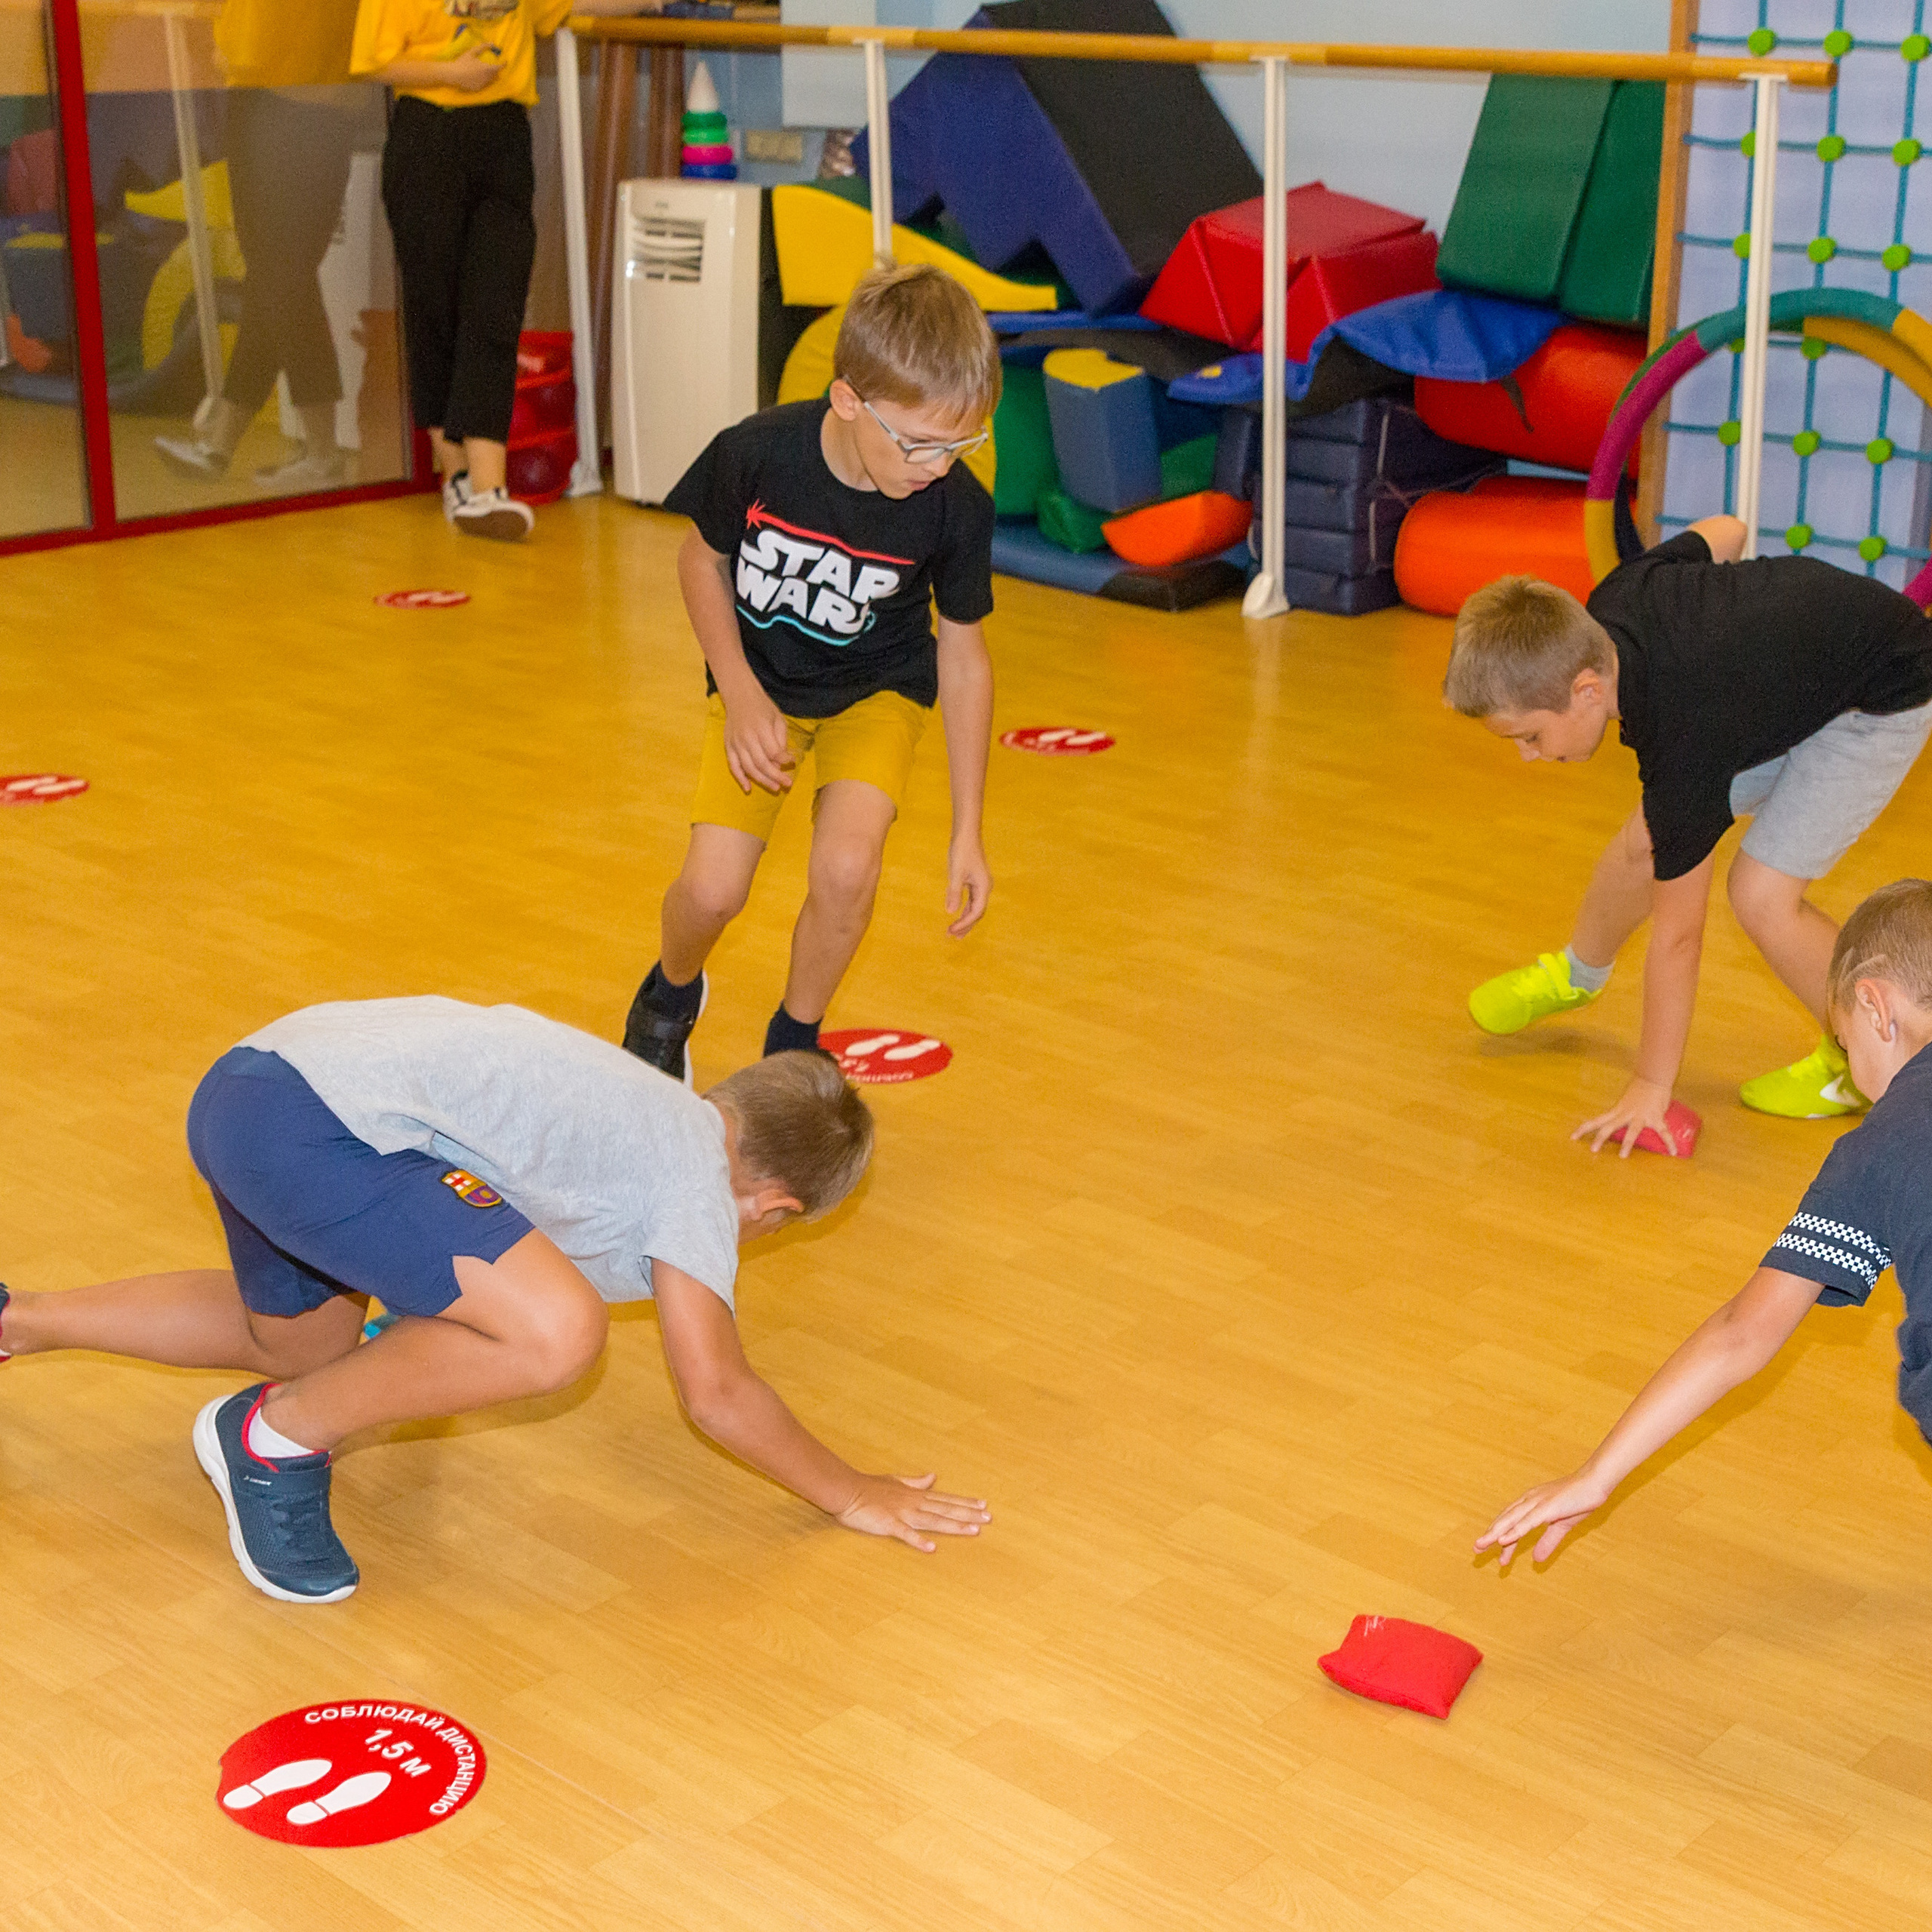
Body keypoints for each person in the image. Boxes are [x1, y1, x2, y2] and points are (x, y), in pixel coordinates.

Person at [0, 996, 990, 1603]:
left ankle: (19, 1320)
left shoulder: (642, 1110)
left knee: (306, 1341)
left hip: (252, 1090)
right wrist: (856, 1492)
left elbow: (466, 1238)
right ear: (771, 1204)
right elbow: (717, 1391)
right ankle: (273, 1441)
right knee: (561, 1333)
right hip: (318, 1131)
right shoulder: (695, 1171)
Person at [1478, 878, 1932, 1567]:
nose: (1851, 1076)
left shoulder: (1876, 1149)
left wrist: (1596, 1475)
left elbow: (1742, 1334)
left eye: (1842, 1047)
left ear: (1875, 1007)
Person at [1445, 518, 1932, 1152]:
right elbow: (1726, 532)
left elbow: (1679, 937)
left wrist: (1651, 1084)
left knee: (1760, 895)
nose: (1529, 758)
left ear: (1587, 689)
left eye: (1530, 737)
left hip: (1880, 701)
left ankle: (1875, 1060)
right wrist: (1746, 625)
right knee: (1646, 840)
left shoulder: (1681, 737)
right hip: (1787, 684)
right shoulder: (1615, 603)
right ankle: (1578, 973)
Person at [622, 262, 998, 1080]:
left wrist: (967, 827)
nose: (937, 465)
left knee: (847, 867)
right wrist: (741, 689)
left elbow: (963, 659)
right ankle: (668, 994)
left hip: (877, 692)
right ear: (847, 399)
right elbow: (700, 563)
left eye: (960, 443)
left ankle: (793, 1047)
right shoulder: (757, 455)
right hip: (761, 683)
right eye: (920, 444)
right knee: (714, 891)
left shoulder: (954, 504)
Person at [350, 0, 656, 540]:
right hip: (428, 134)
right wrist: (453, 73)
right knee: (436, 311)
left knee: (496, 302)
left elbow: (569, 4)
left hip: (504, 135)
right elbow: (373, 61)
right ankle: (461, 478)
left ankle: (487, 489)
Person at [154, 0, 377, 492]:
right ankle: (242, 445)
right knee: (277, 279)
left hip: (310, 99)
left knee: (282, 278)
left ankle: (263, 446)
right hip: (259, 92)